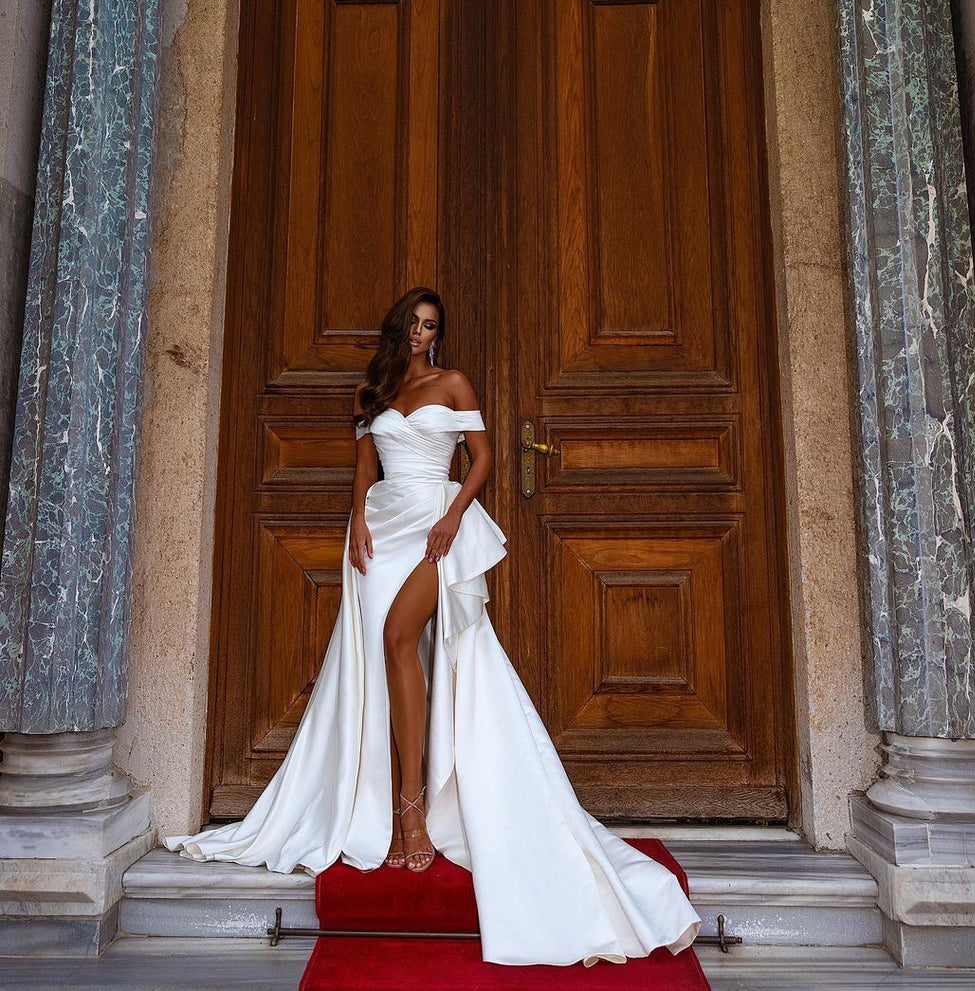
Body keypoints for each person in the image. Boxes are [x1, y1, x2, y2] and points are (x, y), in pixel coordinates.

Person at [165, 286, 701, 967]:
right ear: (398, 328)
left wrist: (453, 515)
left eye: (431, 326)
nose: (421, 334)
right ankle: (384, 801)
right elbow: (364, 466)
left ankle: (412, 809)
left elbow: (481, 455)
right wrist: (357, 517)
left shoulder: (453, 383)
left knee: (400, 639)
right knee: (386, 656)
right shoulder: (375, 389)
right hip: (379, 532)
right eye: (414, 324)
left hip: (435, 527)